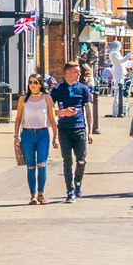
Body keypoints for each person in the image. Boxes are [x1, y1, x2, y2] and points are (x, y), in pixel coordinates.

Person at [52, 61, 94, 202]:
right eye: (76, 71)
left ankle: (78, 181)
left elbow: (88, 109)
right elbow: (49, 111)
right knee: (67, 161)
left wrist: (90, 131)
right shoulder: (57, 89)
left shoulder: (83, 89)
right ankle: (69, 191)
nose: (79, 74)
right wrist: (62, 112)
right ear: (67, 72)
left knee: (81, 160)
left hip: (79, 128)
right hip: (64, 129)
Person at [17, 72, 55, 205]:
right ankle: (32, 195)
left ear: (40, 84)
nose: (32, 85)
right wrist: (16, 137)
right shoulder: (23, 99)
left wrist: (56, 136)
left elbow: (52, 117)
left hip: (42, 134)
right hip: (27, 134)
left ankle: (41, 193)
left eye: (35, 82)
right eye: (30, 82)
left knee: (42, 164)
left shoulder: (47, 98)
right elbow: (18, 118)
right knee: (31, 166)